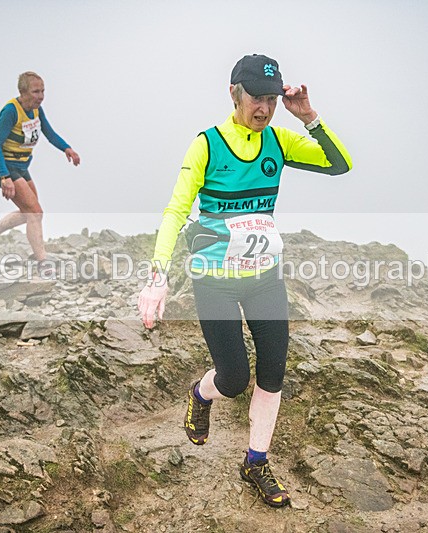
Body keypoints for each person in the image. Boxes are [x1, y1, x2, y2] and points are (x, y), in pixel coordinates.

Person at [138, 54, 352, 507]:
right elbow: (175, 211)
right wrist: (158, 276)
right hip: (214, 278)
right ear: (234, 93)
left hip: (264, 277)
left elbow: (339, 165)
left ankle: (256, 462)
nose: (265, 109)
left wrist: (309, 118)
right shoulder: (207, 145)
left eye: (272, 100)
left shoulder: (279, 141)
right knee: (234, 379)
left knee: (273, 373)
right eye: (257, 98)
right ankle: (201, 394)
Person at [0, 71, 80, 275]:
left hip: (22, 167)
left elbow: (49, 133)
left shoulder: (36, 110)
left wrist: (67, 148)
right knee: (35, 213)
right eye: (35, 92)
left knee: (30, 213)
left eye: (43, 91)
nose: (40, 96)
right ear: (23, 92)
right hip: (5, 167)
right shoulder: (11, 111)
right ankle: (42, 262)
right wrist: (5, 177)